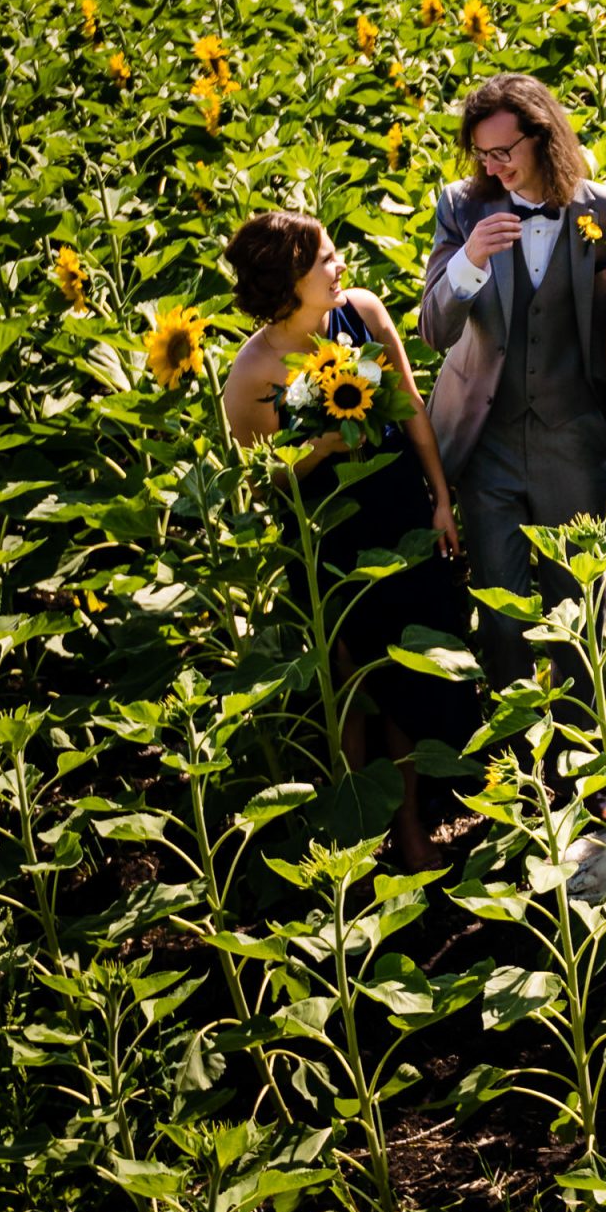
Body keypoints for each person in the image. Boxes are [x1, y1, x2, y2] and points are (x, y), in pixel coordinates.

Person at [220, 211, 474, 872]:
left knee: (412, 673)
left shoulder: (360, 311)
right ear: (286, 279)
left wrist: (441, 497)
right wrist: (323, 443)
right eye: (323, 260)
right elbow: (265, 474)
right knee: (356, 682)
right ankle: (358, 840)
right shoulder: (253, 373)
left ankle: (414, 821)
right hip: (330, 531)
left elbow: (411, 404)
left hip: (398, 506)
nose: (339, 267)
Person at [418, 74, 606, 691]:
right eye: (483, 155)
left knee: (582, 611)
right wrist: (470, 261)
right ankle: (515, 773)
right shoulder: (462, 208)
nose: (494, 166)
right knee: (500, 614)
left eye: (505, 152)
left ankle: (588, 768)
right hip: (485, 439)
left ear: (543, 137)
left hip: (573, 439)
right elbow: (433, 330)